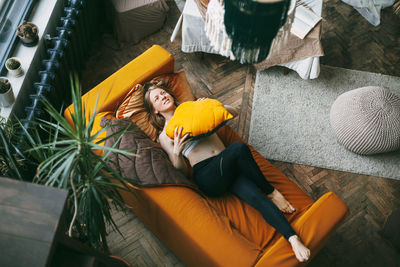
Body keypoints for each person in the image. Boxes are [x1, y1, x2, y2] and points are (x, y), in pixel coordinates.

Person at [143, 80, 310, 262]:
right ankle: (271, 191)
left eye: (163, 93)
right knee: (238, 148)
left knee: (255, 197)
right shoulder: (165, 134)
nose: (163, 97)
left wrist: (215, 105)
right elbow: (180, 171)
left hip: (229, 166)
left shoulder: (193, 108)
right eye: (156, 99)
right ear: (155, 110)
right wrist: (177, 152)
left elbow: (233, 113)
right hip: (208, 176)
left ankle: (293, 239)